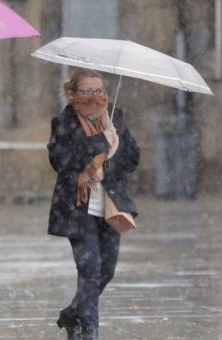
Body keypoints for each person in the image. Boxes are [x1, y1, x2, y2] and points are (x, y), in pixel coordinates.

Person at [47, 68, 140, 340]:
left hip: (110, 204)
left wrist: (106, 169)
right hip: (77, 207)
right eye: (87, 91)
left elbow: (132, 156)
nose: (95, 97)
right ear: (72, 94)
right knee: (89, 269)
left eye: (99, 91)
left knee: (106, 271)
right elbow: (60, 160)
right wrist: (102, 144)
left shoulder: (115, 118)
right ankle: (90, 332)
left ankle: (72, 314)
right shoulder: (63, 123)